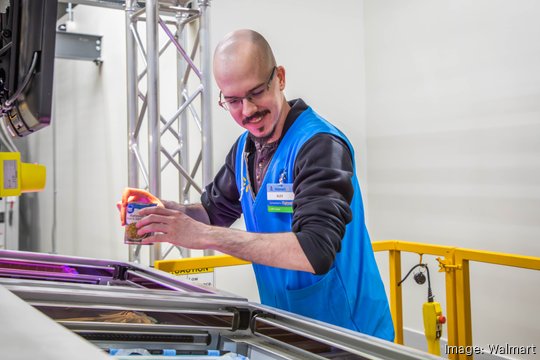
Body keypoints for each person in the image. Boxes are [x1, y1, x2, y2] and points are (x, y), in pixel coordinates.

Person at [132, 29, 394, 341]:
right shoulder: (245, 149)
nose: (247, 111)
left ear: (279, 78)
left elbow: (314, 251)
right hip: (289, 328)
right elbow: (213, 212)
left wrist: (201, 236)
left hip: (347, 334)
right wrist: (167, 214)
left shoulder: (320, 145)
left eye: (256, 93)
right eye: (233, 100)